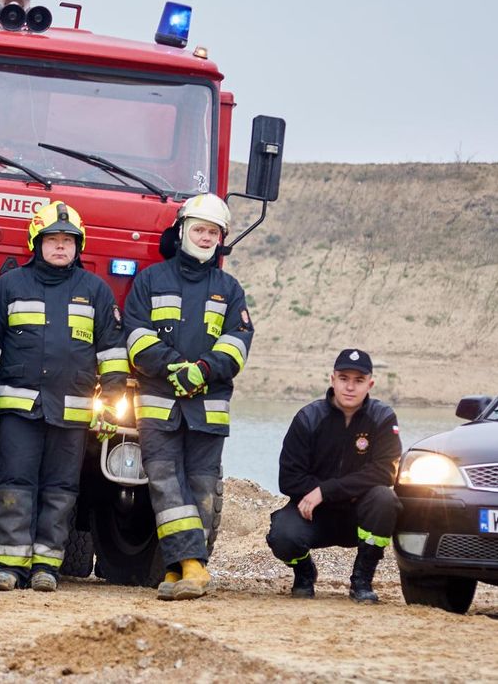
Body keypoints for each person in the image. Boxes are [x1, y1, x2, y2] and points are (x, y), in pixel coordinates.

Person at [0, 202, 128, 592]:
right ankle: (9, 566)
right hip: (19, 406)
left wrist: (113, 401)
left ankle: (47, 567)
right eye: (53, 239)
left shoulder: (95, 291)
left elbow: (112, 353)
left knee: (62, 489)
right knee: (15, 482)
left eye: (68, 240)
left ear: (78, 246)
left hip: (73, 410)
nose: (61, 247)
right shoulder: (9, 287)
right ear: (37, 242)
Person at [124, 193, 252, 601]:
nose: (205, 236)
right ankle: (191, 566)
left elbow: (238, 342)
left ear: (221, 238)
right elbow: (136, 335)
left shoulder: (229, 289)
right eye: (198, 228)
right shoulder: (150, 280)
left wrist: (204, 370)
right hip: (160, 403)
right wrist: (174, 367)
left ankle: (183, 568)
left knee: (200, 487)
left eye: (212, 231)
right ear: (181, 231)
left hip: (207, 407)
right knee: (164, 483)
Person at [266, 349, 402, 603]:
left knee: (385, 500)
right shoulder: (308, 417)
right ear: (332, 379)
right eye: (343, 378)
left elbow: (385, 472)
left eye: (358, 380)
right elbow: (289, 478)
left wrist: (325, 491)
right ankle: (304, 572)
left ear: (370, 384)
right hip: (313, 514)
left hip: (359, 515)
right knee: (282, 535)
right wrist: (322, 496)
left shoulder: (383, 418)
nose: (350, 387)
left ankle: (362, 580)